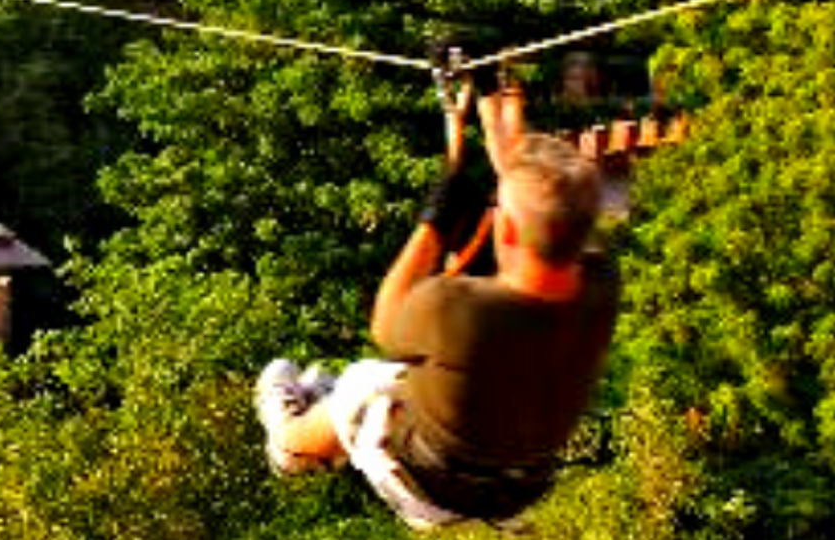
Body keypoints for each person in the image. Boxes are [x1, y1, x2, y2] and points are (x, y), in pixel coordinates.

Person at [254, 86, 619, 529]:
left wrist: (434, 221)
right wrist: (511, 163)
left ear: (504, 230)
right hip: (518, 484)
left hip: (428, 481)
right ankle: (322, 410)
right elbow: (556, 222)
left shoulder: (461, 311)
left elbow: (385, 321)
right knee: (402, 383)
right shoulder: (600, 286)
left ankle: (292, 445)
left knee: (364, 382)